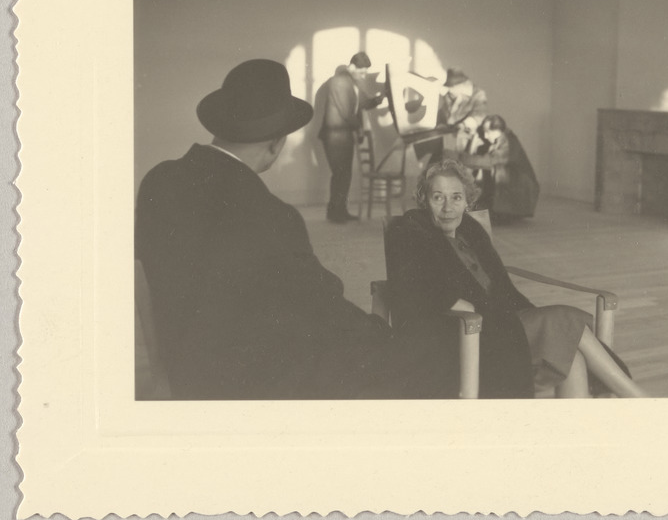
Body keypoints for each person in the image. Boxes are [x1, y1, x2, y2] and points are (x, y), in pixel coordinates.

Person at [135, 59, 450, 400]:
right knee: (428, 361)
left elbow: (145, 277)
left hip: (185, 369)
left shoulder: (158, 181)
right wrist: (383, 335)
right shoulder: (273, 215)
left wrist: (161, 371)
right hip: (248, 385)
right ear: (276, 143)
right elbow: (325, 309)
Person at [384, 159, 647, 399]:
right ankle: (637, 399)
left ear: (467, 201)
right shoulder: (412, 233)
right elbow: (421, 290)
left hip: (505, 324)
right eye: (437, 197)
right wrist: (463, 306)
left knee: (572, 355)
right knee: (566, 322)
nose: (448, 207)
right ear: (424, 200)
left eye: (456, 197)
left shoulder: (470, 231)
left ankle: (578, 429)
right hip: (471, 335)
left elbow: (503, 289)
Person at [317, 51, 383, 222]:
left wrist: (380, 98)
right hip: (335, 136)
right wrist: (359, 128)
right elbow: (346, 111)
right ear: (352, 66)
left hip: (343, 135)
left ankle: (340, 210)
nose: (363, 76)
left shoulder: (352, 82)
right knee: (340, 173)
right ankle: (335, 213)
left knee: (344, 174)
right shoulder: (339, 81)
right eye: (362, 72)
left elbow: (363, 103)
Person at [460, 114, 540, 221]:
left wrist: (461, 158)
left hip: (520, 187)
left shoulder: (508, 142)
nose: (485, 136)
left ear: (497, 130)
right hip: (513, 185)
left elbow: (489, 161)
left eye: (487, 132)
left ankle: (503, 212)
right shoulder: (502, 138)